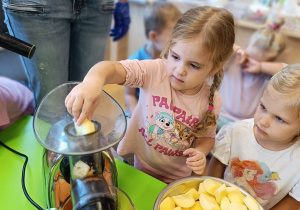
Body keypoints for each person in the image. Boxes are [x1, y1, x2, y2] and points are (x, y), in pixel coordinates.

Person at [65, 6, 235, 183]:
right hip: (141, 165)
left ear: (215, 67)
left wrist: (201, 152)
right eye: (175, 57)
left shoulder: (212, 100)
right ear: (169, 46)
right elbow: (112, 69)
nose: (180, 70)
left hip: (178, 177)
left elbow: (207, 136)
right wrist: (93, 81)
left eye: (193, 65)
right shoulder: (154, 71)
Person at [2, 0, 130, 106]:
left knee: (86, 101)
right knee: (52, 108)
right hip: (37, 5)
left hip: (97, 5)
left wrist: (123, 1)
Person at [208, 64, 300, 209]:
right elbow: (215, 170)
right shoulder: (236, 132)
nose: (263, 121)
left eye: (280, 119)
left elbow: (292, 203)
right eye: (263, 107)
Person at [217, 18, 286, 131]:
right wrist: (237, 50)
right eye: (249, 57)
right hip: (217, 116)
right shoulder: (233, 60)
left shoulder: (269, 75)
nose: (250, 64)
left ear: (270, 60)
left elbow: (291, 71)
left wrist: (261, 67)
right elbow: (217, 46)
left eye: (257, 61)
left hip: (245, 126)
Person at [125, 1, 182, 116]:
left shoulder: (174, 58)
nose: (178, 41)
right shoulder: (135, 61)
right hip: (139, 113)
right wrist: (138, 117)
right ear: (154, 36)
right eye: (174, 36)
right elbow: (129, 95)